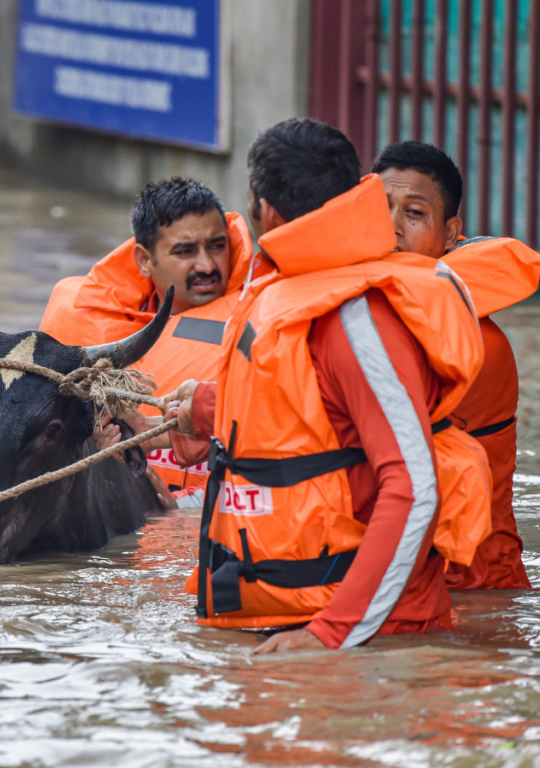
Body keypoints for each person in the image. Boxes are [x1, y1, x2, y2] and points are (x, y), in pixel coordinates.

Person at [162, 118, 488, 653]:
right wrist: (207, 409)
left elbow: (413, 488)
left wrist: (330, 635)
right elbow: (308, 421)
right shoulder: (288, 294)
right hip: (286, 622)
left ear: (261, 210)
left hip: (370, 641)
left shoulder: (358, 317)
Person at [372, 141, 540, 590]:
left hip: (476, 591)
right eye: (380, 208)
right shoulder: (371, 314)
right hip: (414, 577)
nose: (392, 228)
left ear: (450, 235)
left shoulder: (477, 344)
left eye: (413, 214)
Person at [40, 178, 255, 491]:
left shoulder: (261, 319)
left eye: (217, 246)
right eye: (186, 251)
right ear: (143, 260)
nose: (207, 265)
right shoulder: (81, 317)